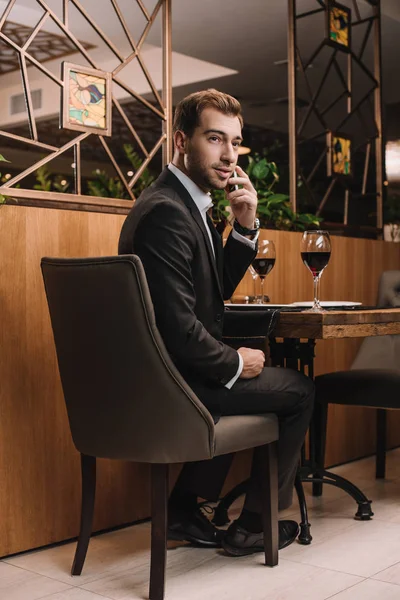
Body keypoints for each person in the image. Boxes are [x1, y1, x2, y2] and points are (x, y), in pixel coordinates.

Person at [118, 89, 314, 556]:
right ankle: (254, 527)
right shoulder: (167, 213)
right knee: (300, 392)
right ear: (182, 141)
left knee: (255, 362)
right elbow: (178, 330)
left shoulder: (186, 203)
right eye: (214, 139)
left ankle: (185, 509)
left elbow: (210, 295)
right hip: (171, 382)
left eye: (235, 142)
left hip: (171, 372)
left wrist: (244, 226)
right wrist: (232, 362)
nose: (229, 156)